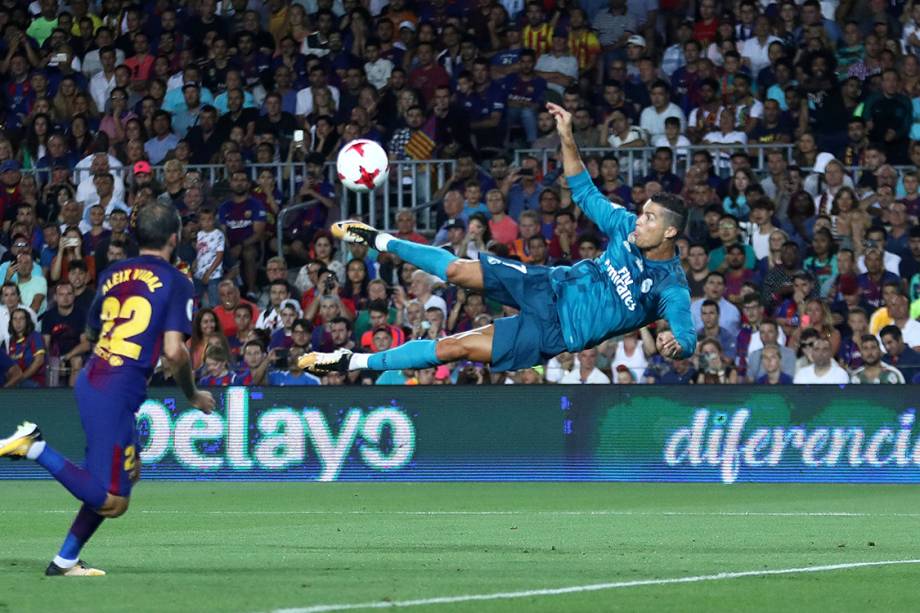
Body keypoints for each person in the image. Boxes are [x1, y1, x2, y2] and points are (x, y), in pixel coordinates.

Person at [299, 103, 696, 375]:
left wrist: (676, 345)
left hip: (554, 333)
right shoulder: (625, 227)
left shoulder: (670, 288)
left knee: (452, 348)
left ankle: (349, 362)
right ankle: (378, 238)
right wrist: (567, 135)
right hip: (548, 283)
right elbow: (584, 191)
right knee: (456, 269)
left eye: (649, 218)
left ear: (670, 231)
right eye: (642, 214)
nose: (639, 222)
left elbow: (687, 338)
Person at [0, 202, 215, 577]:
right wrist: (193, 395)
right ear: (175, 238)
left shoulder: (115, 272)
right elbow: (173, 353)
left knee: (127, 476)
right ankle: (34, 446)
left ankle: (65, 561)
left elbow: (93, 332)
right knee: (114, 501)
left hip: (97, 379)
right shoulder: (178, 281)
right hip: (116, 391)